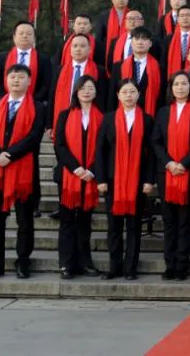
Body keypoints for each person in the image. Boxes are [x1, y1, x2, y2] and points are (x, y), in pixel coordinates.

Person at [0, 63, 46, 279]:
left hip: (23, 173)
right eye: (12, 77)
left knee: (25, 221)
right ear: (6, 81)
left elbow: (34, 137)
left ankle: (23, 262)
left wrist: (8, 155)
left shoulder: (38, 107)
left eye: (21, 77)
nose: (16, 80)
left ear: (29, 81)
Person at [96, 78, 155, 280]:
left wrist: (149, 180)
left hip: (137, 180)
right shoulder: (108, 118)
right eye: (124, 92)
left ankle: (130, 268)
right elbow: (100, 150)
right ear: (118, 96)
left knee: (134, 227)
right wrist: (101, 179)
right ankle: (115, 267)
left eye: (132, 92)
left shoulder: (147, 120)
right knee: (114, 227)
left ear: (139, 95)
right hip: (113, 180)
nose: (128, 95)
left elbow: (151, 153)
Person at [151, 72, 190, 281]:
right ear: (171, 88)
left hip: (189, 173)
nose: (180, 87)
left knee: (185, 220)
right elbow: (156, 141)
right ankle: (170, 264)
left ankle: (182, 264)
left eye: (184, 83)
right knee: (169, 221)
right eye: (176, 84)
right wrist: (169, 163)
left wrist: (183, 164)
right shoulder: (163, 112)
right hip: (166, 172)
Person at [54, 75, 103, 278]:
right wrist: (76, 168)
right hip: (68, 175)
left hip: (90, 176)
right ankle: (66, 264)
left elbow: (104, 148)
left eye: (90, 88)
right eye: (82, 88)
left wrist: (91, 170)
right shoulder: (65, 115)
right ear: (76, 91)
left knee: (84, 222)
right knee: (67, 221)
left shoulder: (102, 117)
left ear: (96, 92)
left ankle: (85, 263)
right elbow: (59, 145)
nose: (86, 91)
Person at [0, 20, 53, 105]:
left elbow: (46, 84)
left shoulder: (43, 59)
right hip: (6, 103)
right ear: (14, 37)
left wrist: (33, 101)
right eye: (21, 33)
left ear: (34, 38)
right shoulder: (2, 57)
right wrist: (7, 99)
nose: (25, 36)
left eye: (29, 34)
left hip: (33, 104)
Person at [109, 26, 163, 116]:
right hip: (123, 116)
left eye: (144, 39)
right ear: (131, 42)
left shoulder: (159, 68)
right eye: (137, 38)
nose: (140, 42)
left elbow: (161, 96)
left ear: (150, 43)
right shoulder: (118, 67)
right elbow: (112, 95)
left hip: (150, 116)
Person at [163, 5, 190, 76]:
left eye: (188, 15)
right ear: (178, 19)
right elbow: (163, 62)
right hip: (173, 77)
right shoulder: (168, 39)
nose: (185, 18)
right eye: (182, 16)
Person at [94, 0, 129, 66]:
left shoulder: (133, 16)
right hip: (108, 53)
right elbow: (99, 38)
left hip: (127, 51)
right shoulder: (104, 16)